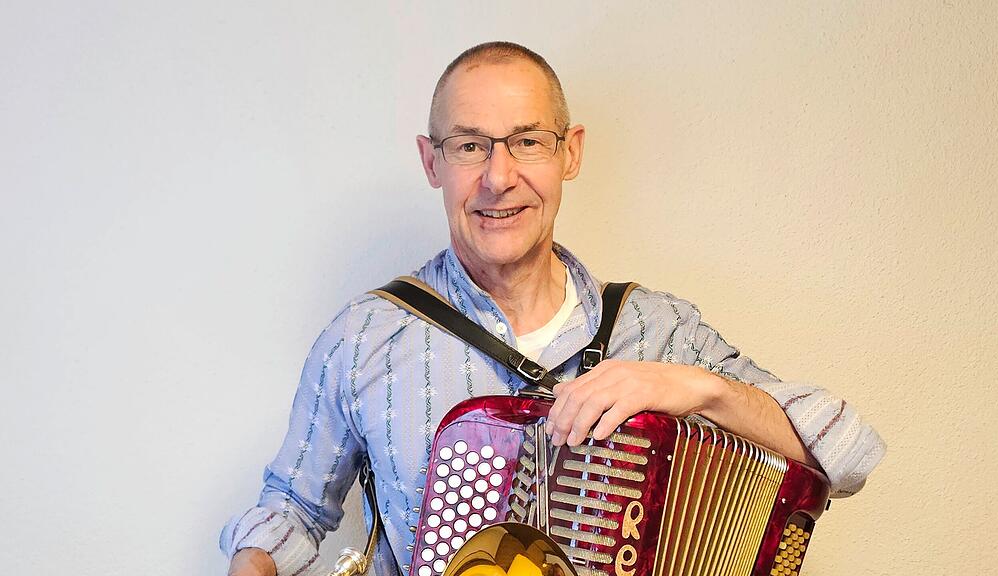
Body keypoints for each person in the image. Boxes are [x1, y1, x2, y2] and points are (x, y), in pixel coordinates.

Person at [221, 41, 886, 576]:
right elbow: (293, 508)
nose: (498, 177)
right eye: (469, 145)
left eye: (528, 141)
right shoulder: (364, 337)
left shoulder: (659, 331)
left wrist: (700, 390)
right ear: (431, 162)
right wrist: (254, 560)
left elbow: (845, 456)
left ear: (571, 152)